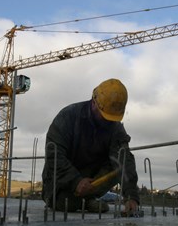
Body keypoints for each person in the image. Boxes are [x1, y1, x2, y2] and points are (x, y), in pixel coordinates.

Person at [42, 78, 139, 214]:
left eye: (112, 118)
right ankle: (84, 201)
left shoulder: (114, 127)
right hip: (60, 183)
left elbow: (124, 160)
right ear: (94, 102)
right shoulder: (67, 117)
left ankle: (88, 199)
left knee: (117, 165)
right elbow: (54, 155)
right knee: (66, 202)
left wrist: (131, 197)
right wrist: (76, 181)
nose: (108, 121)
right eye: (105, 116)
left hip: (92, 183)